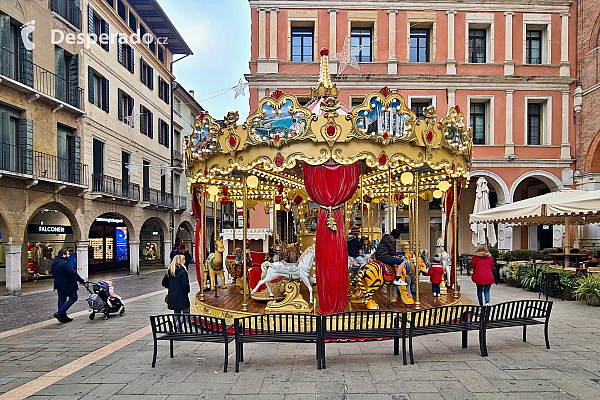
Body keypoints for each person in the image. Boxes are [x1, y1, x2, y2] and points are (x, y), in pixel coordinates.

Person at [51, 249, 84, 323]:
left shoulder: (53, 264)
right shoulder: (65, 264)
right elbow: (73, 273)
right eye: (68, 254)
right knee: (73, 297)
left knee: (61, 300)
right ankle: (59, 313)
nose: (69, 256)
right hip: (68, 284)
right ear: (63, 255)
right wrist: (81, 281)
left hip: (58, 284)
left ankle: (63, 317)